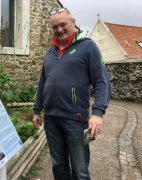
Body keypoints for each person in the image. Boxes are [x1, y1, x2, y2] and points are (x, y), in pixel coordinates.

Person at [32, 7, 111, 180]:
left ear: (73, 23)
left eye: (63, 25)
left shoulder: (88, 47)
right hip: (51, 119)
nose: (59, 30)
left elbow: (102, 82)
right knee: (58, 166)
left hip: (75, 120)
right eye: (55, 27)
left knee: (80, 170)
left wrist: (97, 113)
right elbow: (42, 83)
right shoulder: (50, 52)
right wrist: (37, 110)